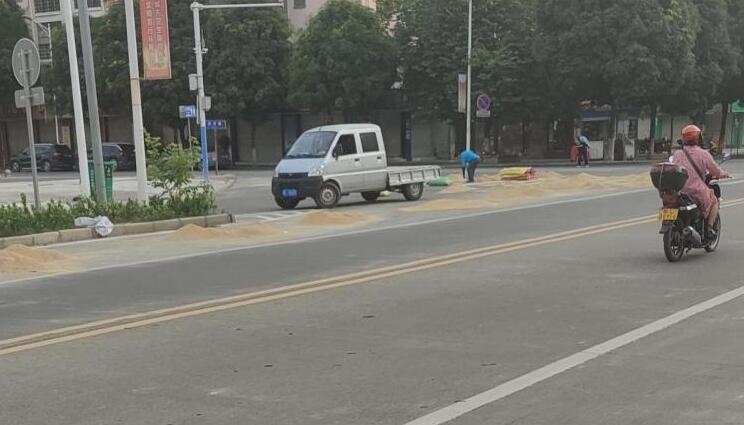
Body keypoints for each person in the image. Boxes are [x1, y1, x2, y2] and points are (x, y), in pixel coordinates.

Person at [672, 125, 730, 241]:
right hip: (697, 191)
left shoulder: (677, 154)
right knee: (714, 201)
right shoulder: (703, 154)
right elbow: (715, 170)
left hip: (680, 191)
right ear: (698, 138)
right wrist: (723, 174)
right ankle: (708, 230)